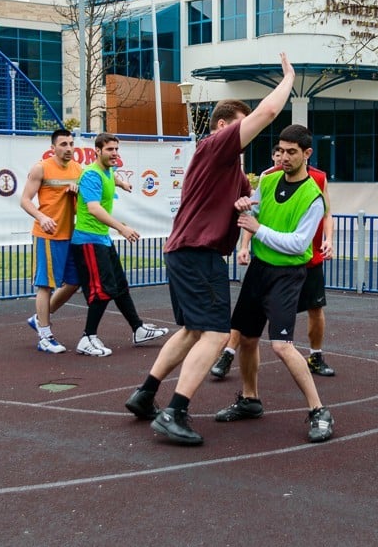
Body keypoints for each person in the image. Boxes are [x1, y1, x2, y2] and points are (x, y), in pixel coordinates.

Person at [124, 52, 296, 446]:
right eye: (240, 125)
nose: (246, 132)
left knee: (191, 331)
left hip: (185, 251)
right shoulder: (215, 146)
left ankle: (145, 394)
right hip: (198, 254)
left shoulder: (232, 172)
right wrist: (287, 78)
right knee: (217, 334)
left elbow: (248, 202)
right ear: (223, 126)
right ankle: (175, 412)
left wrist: (246, 205)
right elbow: (269, 112)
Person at [213, 124, 334, 442]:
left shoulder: (314, 198)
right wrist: (244, 205)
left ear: (307, 154)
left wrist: (257, 229)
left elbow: (298, 244)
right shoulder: (267, 181)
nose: (284, 157)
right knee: (247, 339)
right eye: (280, 150)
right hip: (259, 271)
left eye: (292, 152)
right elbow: (254, 207)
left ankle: (318, 410)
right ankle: (250, 400)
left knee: (281, 345)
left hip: (287, 274)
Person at [69, 132, 169, 356]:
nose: (115, 153)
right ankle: (87, 337)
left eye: (116, 149)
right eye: (110, 150)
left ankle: (138, 329)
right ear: (97, 151)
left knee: (120, 286)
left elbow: (112, 176)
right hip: (88, 241)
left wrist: (122, 183)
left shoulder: (108, 171)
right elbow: (94, 209)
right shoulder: (91, 175)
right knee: (102, 290)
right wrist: (121, 228)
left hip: (102, 239)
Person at [20, 129, 83, 354]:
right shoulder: (41, 167)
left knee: (74, 282)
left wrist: (77, 195)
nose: (68, 148)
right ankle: (45, 335)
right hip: (47, 235)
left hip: (69, 235)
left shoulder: (77, 169)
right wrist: (42, 216)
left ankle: (39, 319)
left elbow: (81, 206)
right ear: (53, 148)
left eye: (71, 144)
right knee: (45, 285)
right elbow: (25, 200)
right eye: (63, 144)